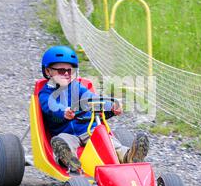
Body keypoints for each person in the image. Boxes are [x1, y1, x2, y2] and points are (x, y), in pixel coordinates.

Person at [38, 45, 149, 173]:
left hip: (88, 130)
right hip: (66, 133)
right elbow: (50, 106)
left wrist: (111, 107)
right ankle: (70, 160)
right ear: (48, 71)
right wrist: (64, 111)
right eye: (61, 70)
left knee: (109, 142)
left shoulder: (77, 88)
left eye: (70, 70)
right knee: (62, 142)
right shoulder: (45, 94)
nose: (67, 74)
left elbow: (93, 98)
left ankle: (129, 156)